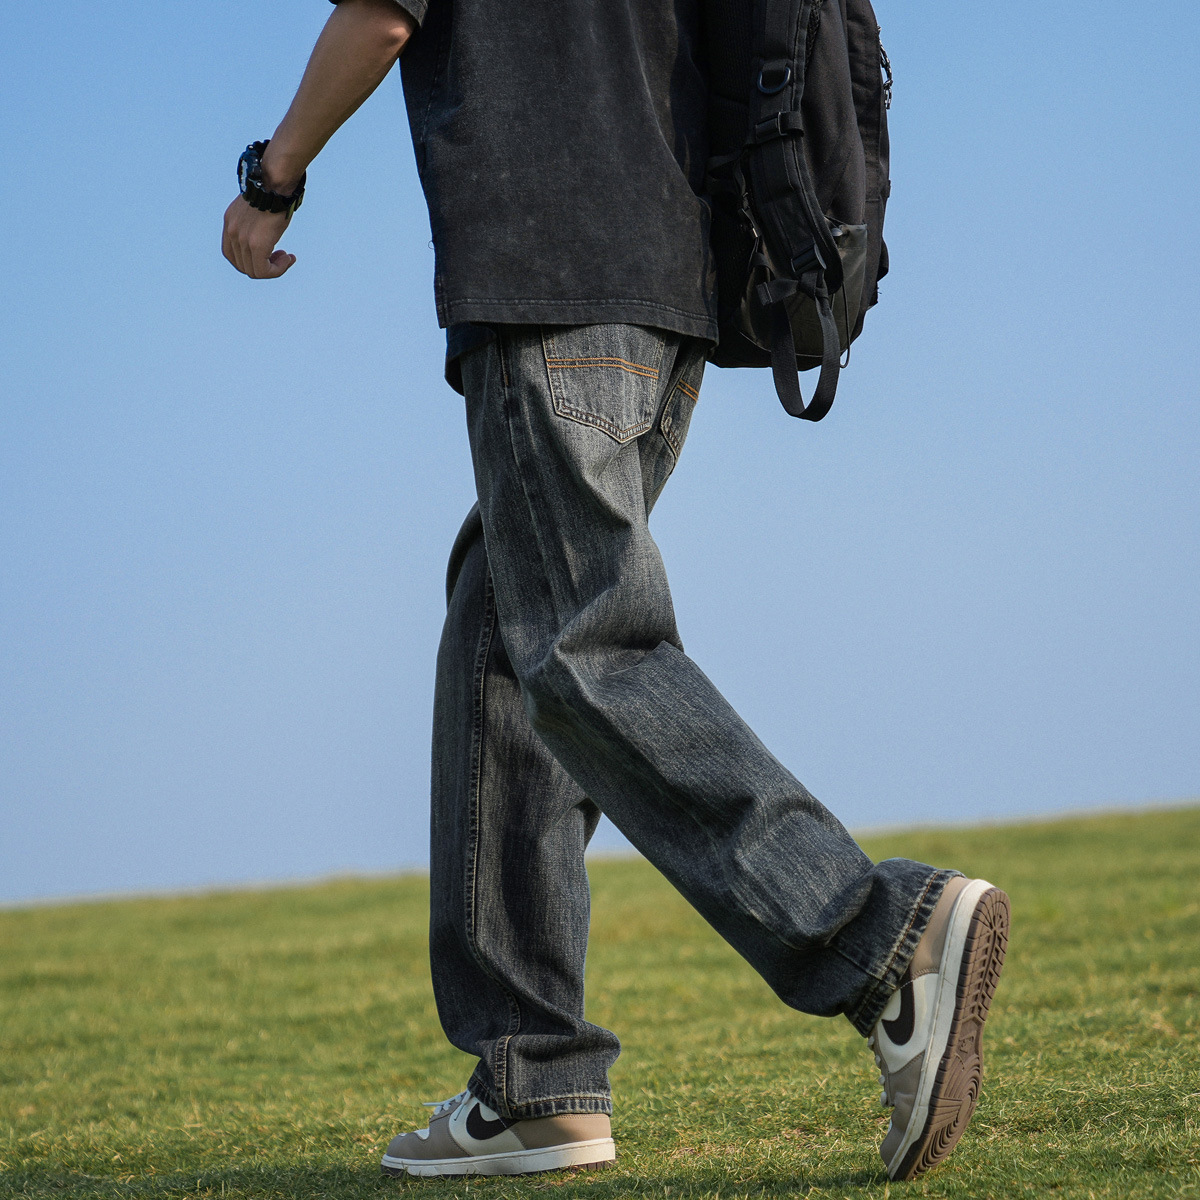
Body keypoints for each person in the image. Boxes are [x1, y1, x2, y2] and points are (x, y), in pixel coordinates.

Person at [221, 0, 1009, 1183]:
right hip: (677, 293)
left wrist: (271, 176)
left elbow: (383, 17)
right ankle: (534, 1079)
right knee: (504, 643)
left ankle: (876, 938)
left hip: (549, 273)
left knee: (588, 645)